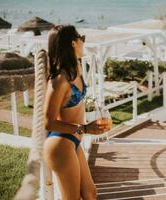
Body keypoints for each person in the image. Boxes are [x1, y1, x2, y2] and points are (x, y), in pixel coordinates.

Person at [43, 25, 111, 200]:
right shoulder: (60, 81)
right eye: (82, 37)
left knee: (90, 194)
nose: (83, 41)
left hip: (73, 141)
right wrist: (86, 129)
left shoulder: (77, 70)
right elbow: (49, 123)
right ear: (73, 43)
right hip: (60, 143)